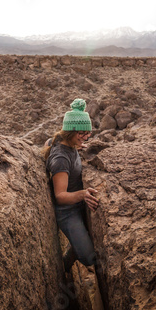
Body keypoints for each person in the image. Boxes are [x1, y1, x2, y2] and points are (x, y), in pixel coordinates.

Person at [42, 98, 100, 271]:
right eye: (82, 134)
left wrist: (77, 144)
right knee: (89, 258)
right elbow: (60, 197)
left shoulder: (67, 144)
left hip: (77, 203)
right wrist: (82, 194)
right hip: (68, 211)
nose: (86, 137)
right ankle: (67, 266)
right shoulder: (60, 159)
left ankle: (74, 247)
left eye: (87, 133)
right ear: (70, 133)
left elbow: (48, 142)